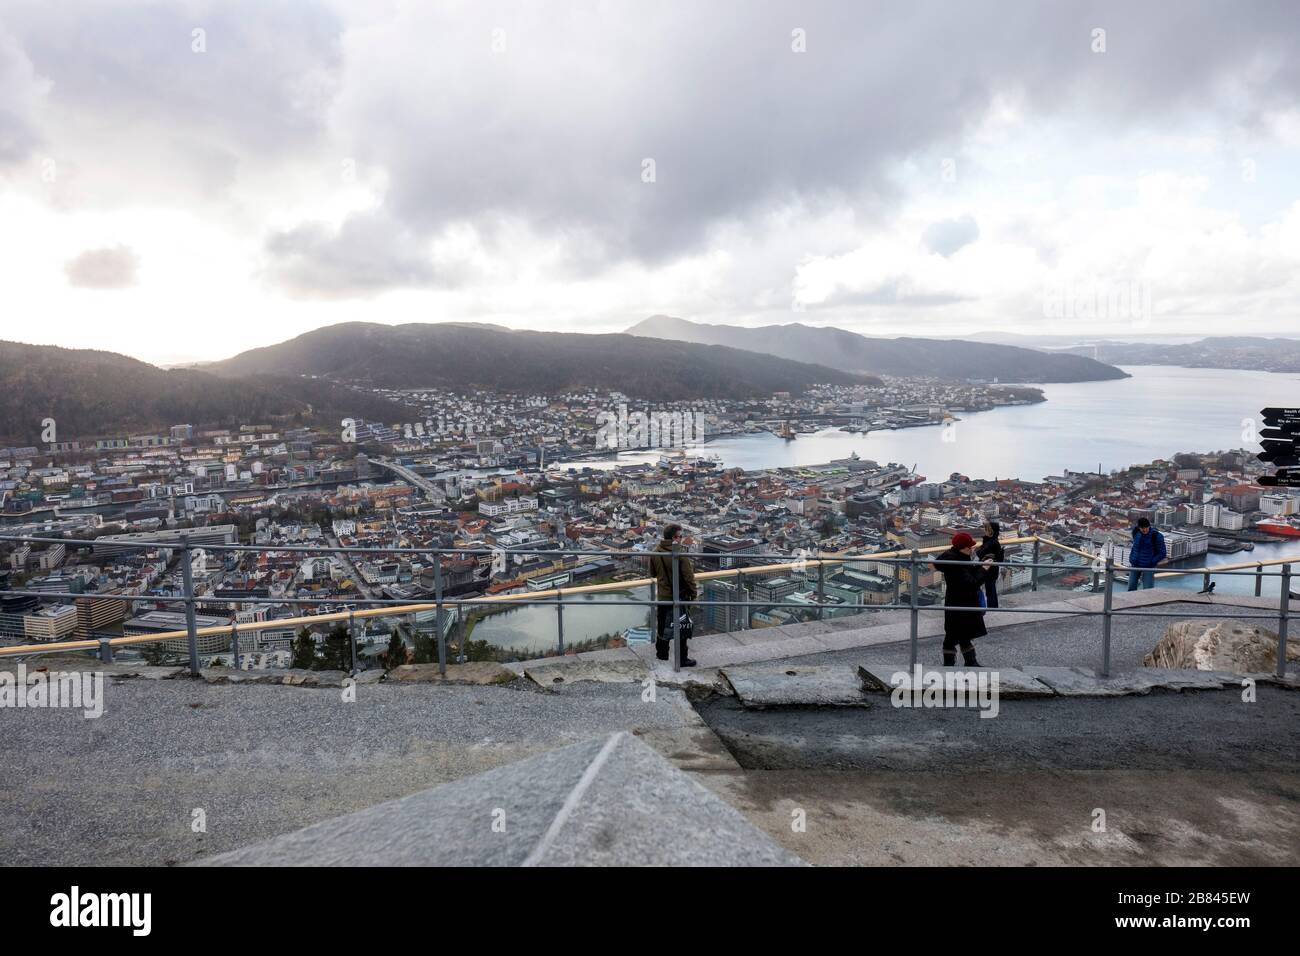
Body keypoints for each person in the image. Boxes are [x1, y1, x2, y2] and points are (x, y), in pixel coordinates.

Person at [933, 531, 992, 667]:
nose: (973, 549)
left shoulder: (954, 557)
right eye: (971, 547)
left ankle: (968, 662)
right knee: (953, 636)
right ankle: (957, 664)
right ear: (964, 548)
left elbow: (966, 573)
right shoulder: (956, 563)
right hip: (961, 602)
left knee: (960, 634)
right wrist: (984, 568)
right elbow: (971, 583)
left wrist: (979, 566)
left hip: (956, 601)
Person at [649, 523, 697, 666]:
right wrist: (693, 594)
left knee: (663, 627)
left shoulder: (655, 552)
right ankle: (682, 659)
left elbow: (652, 573)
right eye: (680, 536)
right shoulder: (680, 554)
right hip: (680, 596)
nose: (681, 539)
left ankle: (662, 655)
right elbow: (689, 578)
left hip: (663, 597)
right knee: (682, 626)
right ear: (674, 537)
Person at [1127, 517, 1167, 591]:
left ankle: (1147, 602)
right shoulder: (1136, 532)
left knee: (1148, 590)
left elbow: (1162, 553)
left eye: (1146, 527)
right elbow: (1134, 546)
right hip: (1135, 564)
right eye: (1142, 528)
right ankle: (1132, 602)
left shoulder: (1156, 536)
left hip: (1148, 566)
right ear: (1139, 527)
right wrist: (1132, 558)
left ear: (1149, 526)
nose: (1144, 530)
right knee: (1131, 588)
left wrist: (1151, 562)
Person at [976, 520, 1004, 609]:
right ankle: (993, 607)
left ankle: (991, 608)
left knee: (989, 590)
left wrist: (977, 550)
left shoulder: (991, 542)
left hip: (989, 570)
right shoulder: (993, 541)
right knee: (991, 590)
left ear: (990, 531)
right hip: (992, 570)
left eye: (986, 529)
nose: (985, 531)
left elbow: (980, 553)